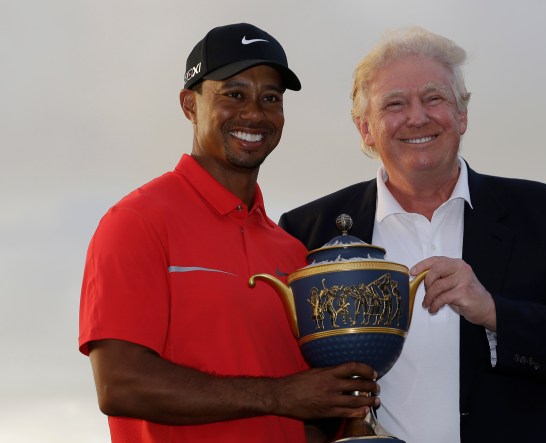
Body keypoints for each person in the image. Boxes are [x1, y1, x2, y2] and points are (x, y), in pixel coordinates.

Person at [279, 26, 546, 442]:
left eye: (434, 98)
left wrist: (494, 312)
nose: (417, 117)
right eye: (395, 104)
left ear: (462, 114)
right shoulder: (305, 231)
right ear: (365, 129)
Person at [78, 23, 379, 443]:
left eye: (270, 98)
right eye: (233, 94)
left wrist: (344, 410)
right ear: (190, 104)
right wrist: (278, 396)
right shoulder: (137, 222)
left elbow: (302, 410)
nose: (254, 113)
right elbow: (120, 384)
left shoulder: (292, 253)